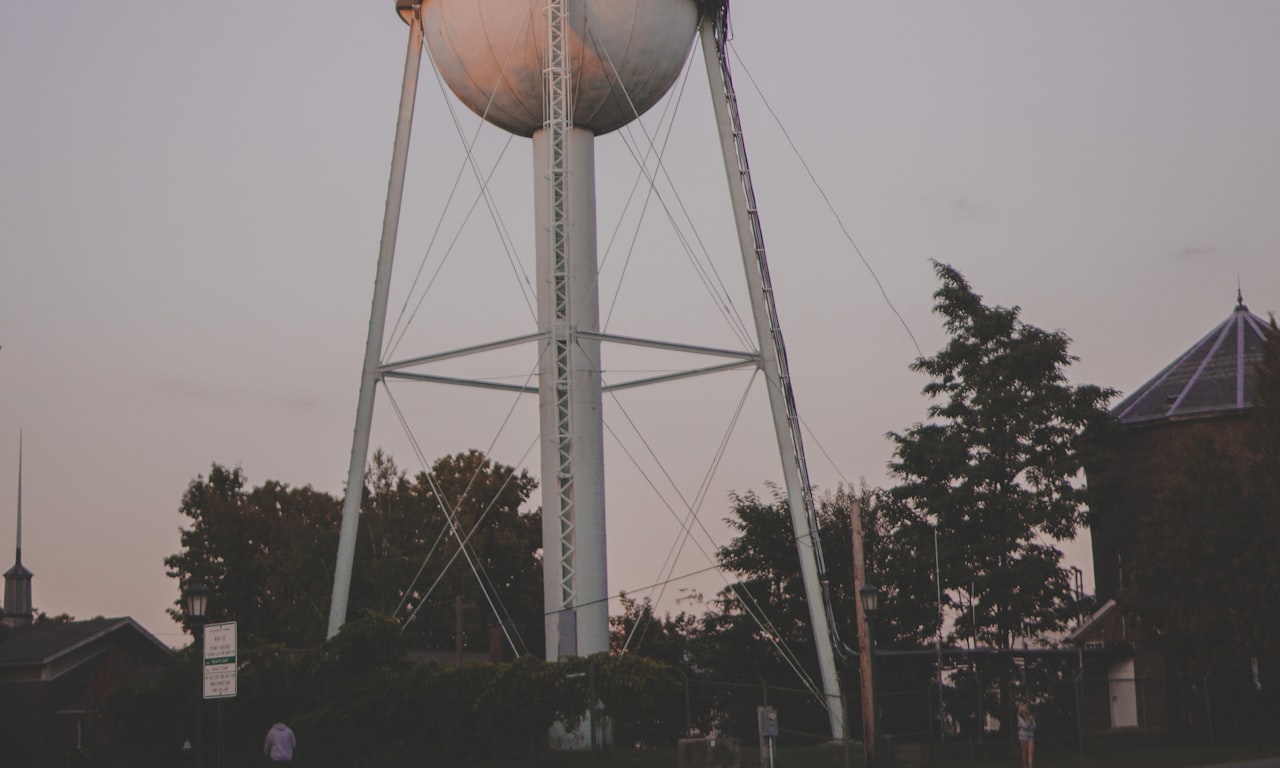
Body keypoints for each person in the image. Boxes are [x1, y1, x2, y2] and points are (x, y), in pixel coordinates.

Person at [1016, 702, 1036, 768]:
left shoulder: (1030, 716)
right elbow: (1024, 726)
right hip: (1023, 736)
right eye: (1025, 708)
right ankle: (1024, 766)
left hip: (1030, 735)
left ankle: (1030, 766)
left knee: (1030, 753)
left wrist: (1031, 721)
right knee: (1024, 751)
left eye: (1027, 708)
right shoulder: (1020, 717)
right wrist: (1029, 721)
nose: (1026, 710)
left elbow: (1034, 726)